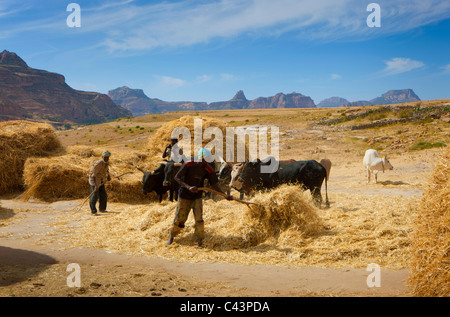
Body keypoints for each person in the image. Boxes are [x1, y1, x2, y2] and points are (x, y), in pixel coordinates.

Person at [167, 148, 232, 247]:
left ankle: (198, 240)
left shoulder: (208, 168)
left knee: (199, 220)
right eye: (207, 159)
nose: (209, 161)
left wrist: (225, 195)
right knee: (180, 219)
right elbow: (177, 177)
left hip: (197, 196)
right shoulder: (189, 164)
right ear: (201, 158)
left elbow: (214, 185)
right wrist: (188, 187)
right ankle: (172, 236)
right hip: (184, 195)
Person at [88, 151, 112, 215]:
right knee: (94, 196)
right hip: (94, 180)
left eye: (107, 157)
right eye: (105, 157)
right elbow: (93, 175)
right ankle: (93, 211)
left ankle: (102, 209)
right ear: (102, 157)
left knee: (103, 195)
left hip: (101, 179)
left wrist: (108, 176)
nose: (106, 159)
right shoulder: (98, 164)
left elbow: (107, 170)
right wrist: (96, 185)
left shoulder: (106, 163)